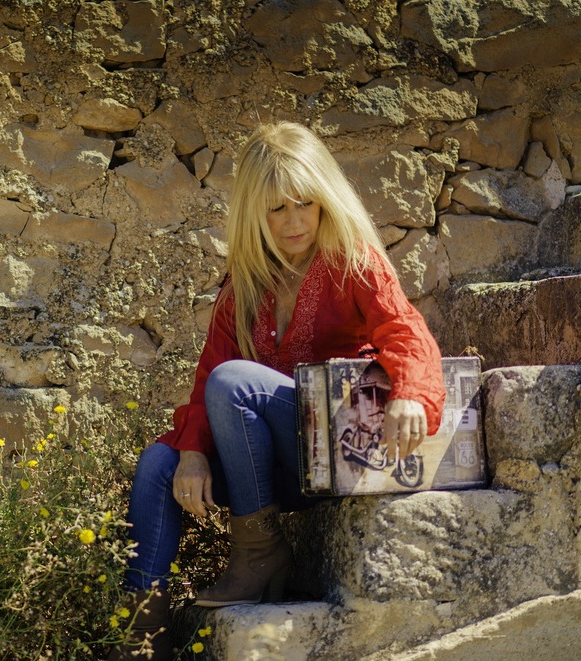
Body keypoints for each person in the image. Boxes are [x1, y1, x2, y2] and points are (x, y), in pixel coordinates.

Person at [107, 122, 446, 660]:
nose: (294, 223)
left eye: (305, 205)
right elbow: (207, 375)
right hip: (270, 467)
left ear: (324, 201)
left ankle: (259, 554)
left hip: (339, 451)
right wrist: (192, 453)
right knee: (157, 465)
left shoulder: (354, 260)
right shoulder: (245, 281)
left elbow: (405, 330)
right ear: (252, 214)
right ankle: (140, 642)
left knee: (235, 382)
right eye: (276, 210)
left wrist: (411, 394)